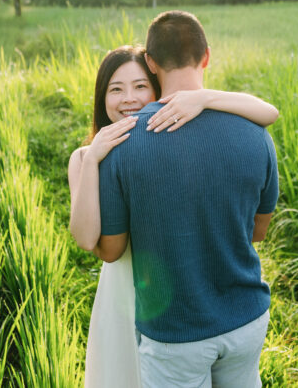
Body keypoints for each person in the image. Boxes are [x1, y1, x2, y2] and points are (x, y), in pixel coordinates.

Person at [68, 43, 278, 387]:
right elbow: (87, 239)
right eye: (115, 89)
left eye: (140, 86)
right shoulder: (85, 158)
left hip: (177, 298)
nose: (128, 99)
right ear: (101, 97)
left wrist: (203, 98)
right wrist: (92, 159)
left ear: (157, 89)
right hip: (124, 294)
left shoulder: (165, 134)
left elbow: (268, 112)